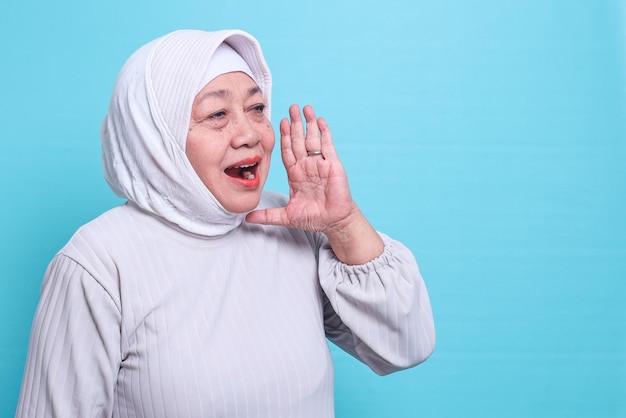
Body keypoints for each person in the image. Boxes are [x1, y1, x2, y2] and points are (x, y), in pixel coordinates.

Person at [16, 29, 435, 417]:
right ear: (155, 137)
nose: (250, 133)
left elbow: (404, 346)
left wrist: (342, 224)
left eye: (256, 108)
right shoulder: (98, 263)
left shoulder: (290, 224)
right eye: (217, 114)